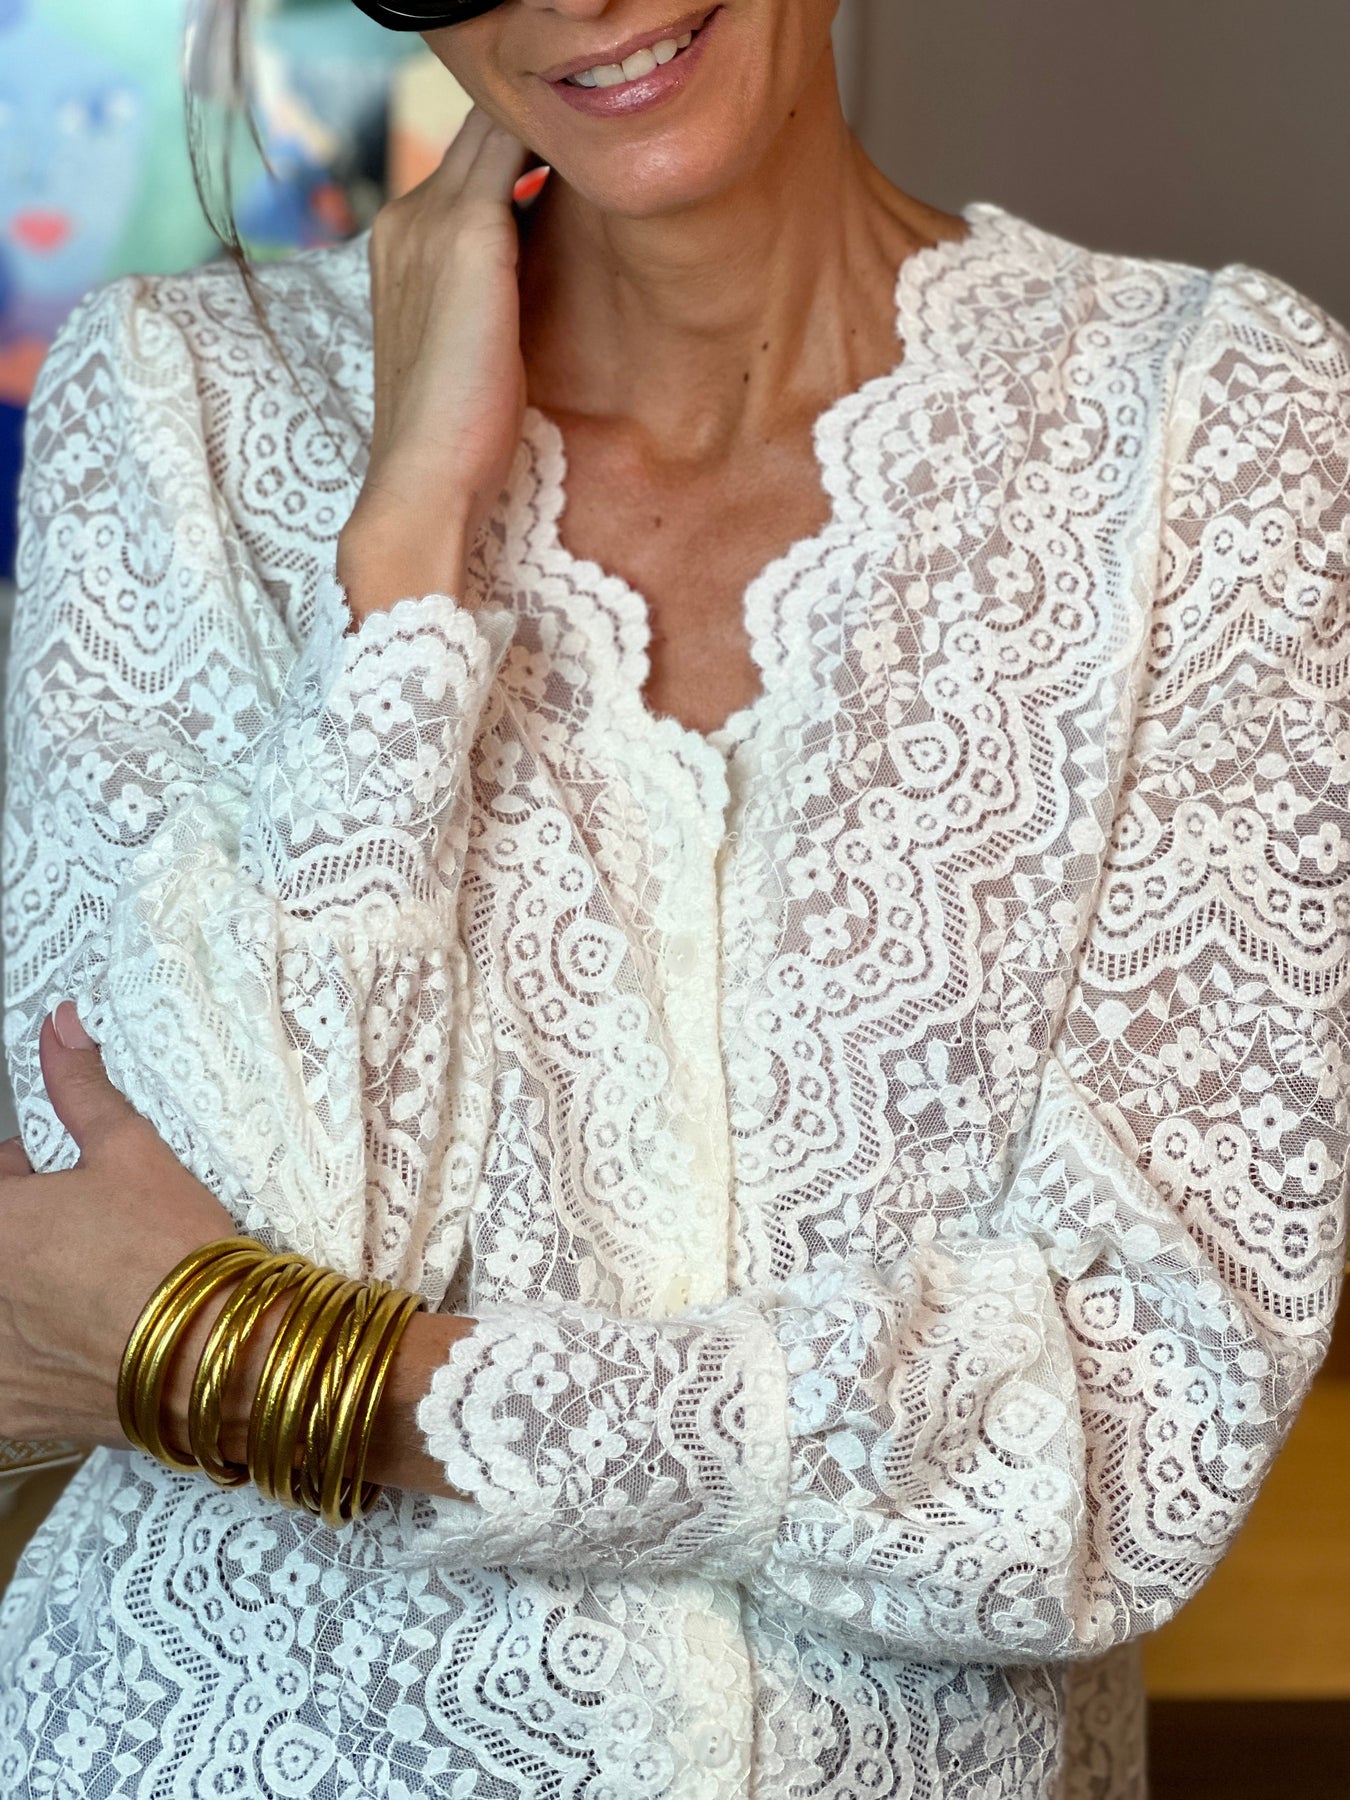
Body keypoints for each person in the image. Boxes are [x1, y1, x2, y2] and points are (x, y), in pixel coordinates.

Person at [0, 1, 1345, 1794]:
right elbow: (141, 1239)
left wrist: (290, 1379)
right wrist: (403, 566)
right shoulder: (177, 400)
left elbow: (1125, 1447)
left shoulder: (1209, 422)